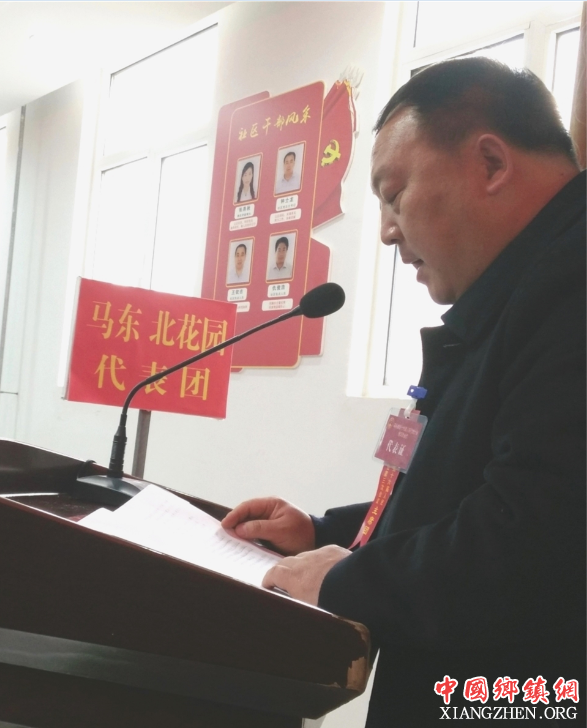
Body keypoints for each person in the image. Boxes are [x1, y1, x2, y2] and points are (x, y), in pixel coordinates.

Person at [222, 58, 585, 726]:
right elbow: (466, 493)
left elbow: (533, 541)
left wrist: (343, 581)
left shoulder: (571, 285)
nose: (388, 231)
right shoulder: (513, 297)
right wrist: (325, 533)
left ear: (490, 164)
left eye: (394, 195)